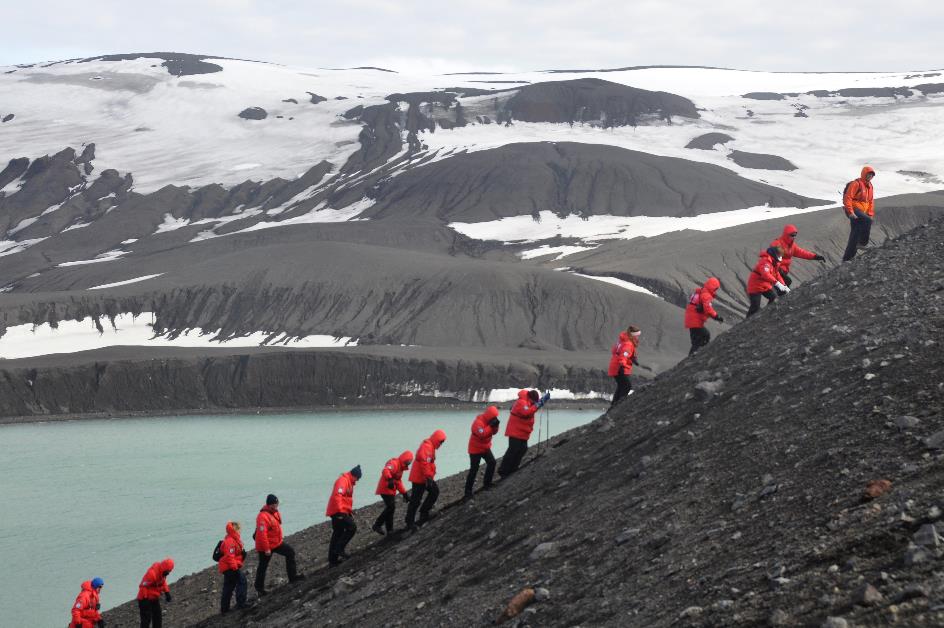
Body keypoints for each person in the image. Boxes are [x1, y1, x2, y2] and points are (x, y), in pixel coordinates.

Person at [254, 494, 303, 596]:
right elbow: (262, 534)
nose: (277, 506)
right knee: (263, 566)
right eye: (275, 504)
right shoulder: (262, 517)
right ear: (270, 504)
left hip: (275, 542)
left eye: (277, 504)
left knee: (290, 552)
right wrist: (267, 549)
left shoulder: (274, 512)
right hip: (265, 546)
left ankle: (293, 577)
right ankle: (259, 589)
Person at [497, 389, 551, 478]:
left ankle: (513, 468)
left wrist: (542, 401)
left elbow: (532, 409)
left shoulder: (528, 402)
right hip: (515, 430)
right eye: (534, 401)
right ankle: (503, 470)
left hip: (522, 431)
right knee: (513, 449)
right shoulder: (521, 402)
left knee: (522, 449)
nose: (534, 403)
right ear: (531, 398)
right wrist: (540, 403)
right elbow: (527, 412)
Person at [405, 429, 447, 531]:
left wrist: (429, 477)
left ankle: (423, 512)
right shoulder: (427, 447)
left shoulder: (430, 446)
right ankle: (410, 521)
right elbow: (425, 463)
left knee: (433, 493)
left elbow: (427, 463)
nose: (441, 444)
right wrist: (428, 477)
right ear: (437, 439)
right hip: (420, 478)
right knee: (416, 500)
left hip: (424, 477)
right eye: (441, 442)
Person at [326, 465, 361, 566]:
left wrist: (348, 511)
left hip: (339, 510)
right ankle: (339, 549)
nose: (357, 481)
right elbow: (338, 496)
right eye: (357, 478)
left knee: (338, 533)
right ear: (354, 475)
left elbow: (345, 499)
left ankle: (333, 560)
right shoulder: (343, 481)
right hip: (337, 511)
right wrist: (341, 511)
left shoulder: (347, 481)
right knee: (352, 527)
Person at [372, 451, 413, 536]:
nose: (408, 463)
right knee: (391, 507)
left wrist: (404, 494)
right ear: (404, 459)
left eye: (410, 462)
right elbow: (386, 470)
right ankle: (377, 525)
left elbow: (398, 482)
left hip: (390, 490)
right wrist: (390, 479)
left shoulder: (401, 468)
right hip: (385, 488)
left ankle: (389, 530)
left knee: (391, 508)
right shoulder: (394, 463)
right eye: (408, 461)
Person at [464, 405, 500, 500]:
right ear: (489, 416)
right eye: (494, 417)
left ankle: (487, 484)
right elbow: (482, 434)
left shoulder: (489, 421)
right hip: (475, 449)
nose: (495, 419)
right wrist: (491, 426)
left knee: (492, 462)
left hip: (485, 447)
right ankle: (467, 492)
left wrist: (496, 426)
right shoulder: (478, 422)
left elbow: (494, 433)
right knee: (474, 470)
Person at [842, 166, 876, 262]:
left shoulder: (870, 186)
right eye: (869, 174)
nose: (870, 176)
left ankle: (847, 259)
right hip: (853, 209)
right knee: (868, 221)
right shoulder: (856, 184)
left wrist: (869, 213)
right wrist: (851, 212)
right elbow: (848, 198)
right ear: (864, 173)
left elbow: (870, 201)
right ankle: (863, 243)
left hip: (861, 212)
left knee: (854, 235)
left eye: (872, 175)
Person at [218, 521, 253, 613]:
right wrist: (235, 567)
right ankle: (241, 603)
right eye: (239, 529)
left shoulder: (231, 539)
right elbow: (230, 556)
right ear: (235, 529)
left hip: (226, 567)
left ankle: (224, 609)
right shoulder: (230, 541)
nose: (240, 531)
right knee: (242, 581)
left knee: (229, 586)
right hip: (229, 567)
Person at [684, 277, 723, 355]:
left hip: (691, 319)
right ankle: (697, 356)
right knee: (704, 335)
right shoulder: (706, 295)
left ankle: (694, 356)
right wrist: (717, 316)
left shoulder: (701, 291)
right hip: (695, 321)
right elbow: (707, 308)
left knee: (697, 339)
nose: (716, 291)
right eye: (715, 289)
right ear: (713, 287)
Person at [746, 246, 788, 317]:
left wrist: (784, 285)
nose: (780, 257)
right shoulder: (765, 262)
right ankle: (747, 323)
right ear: (774, 254)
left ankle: (765, 315)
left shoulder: (774, 262)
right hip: (755, 286)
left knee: (774, 298)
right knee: (755, 307)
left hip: (765, 285)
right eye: (779, 255)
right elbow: (765, 274)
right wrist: (777, 283)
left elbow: (777, 274)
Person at [608, 326, 641, 408]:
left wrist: (632, 358)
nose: (638, 337)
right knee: (627, 386)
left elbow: (614, 350)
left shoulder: (622, 340)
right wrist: (622, 366)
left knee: (621, 385)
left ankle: (614, 405)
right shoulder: (628, 343)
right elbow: (624, 355)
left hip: (614, 366)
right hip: (619, 367)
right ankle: (619, 405)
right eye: (637, 335)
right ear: (633, 335)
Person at [136, 558, 174, 628]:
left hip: (154, 597)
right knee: (146, 619)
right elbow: (142, 586)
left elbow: (163, 582)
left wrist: (167, 592)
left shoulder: (162, 573)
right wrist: (145, 598)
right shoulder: (152, 574)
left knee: (157, 616)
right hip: (144, 598)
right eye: (168, 571)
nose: (168, 573)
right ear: (164, 568)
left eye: (169, 571)